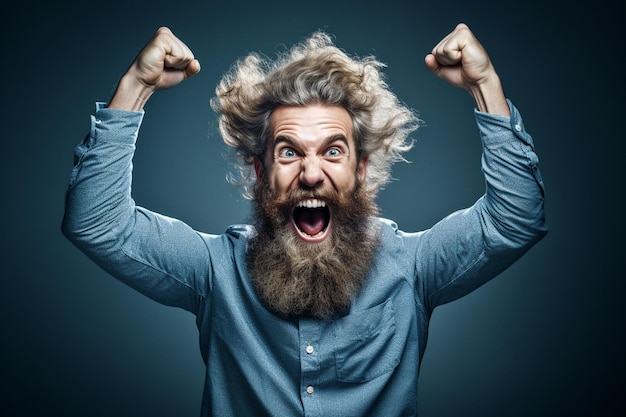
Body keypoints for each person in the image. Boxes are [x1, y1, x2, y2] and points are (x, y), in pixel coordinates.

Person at [62, 23, 547, 416]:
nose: (311, 173)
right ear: (260, 171)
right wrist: (135, 88)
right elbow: (97, 223)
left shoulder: (411, 265)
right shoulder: (215, 270)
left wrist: (486, 88)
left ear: (360, 169)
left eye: (333, 151)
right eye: (288, 151)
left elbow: (515, 219)